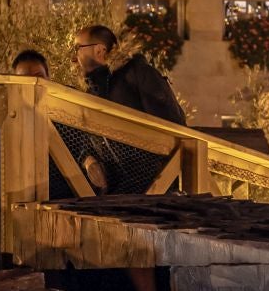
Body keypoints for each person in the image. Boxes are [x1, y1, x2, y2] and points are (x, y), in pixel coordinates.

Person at [70, 24, 185, 193]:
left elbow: (174, 128)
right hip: (116, 194)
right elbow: (88, 140)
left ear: (100, 51)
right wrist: (88, 160)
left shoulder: (139, 75)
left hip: (154, 194)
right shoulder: (91, 92)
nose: (74, 57)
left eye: (78, 48)